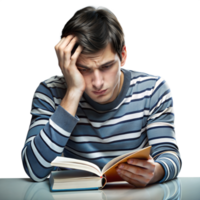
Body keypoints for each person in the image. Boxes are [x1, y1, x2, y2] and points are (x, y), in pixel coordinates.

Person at [20, 4, 183, 188]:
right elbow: (34, 170)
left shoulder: (154, 90)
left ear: (123, 55)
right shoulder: (49, 91)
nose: (97, 82)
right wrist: (73, 91)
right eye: (83, 69)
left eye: (106, 67)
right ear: (67, 65)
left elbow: (170, 155)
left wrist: (157, 172)